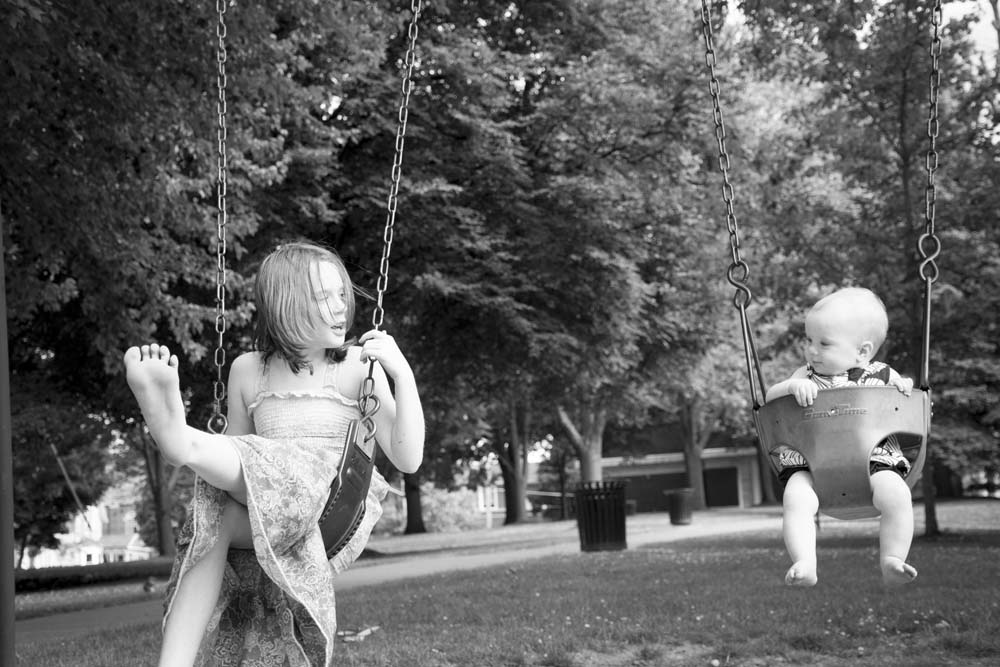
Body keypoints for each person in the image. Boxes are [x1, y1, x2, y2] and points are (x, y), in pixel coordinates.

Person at [123, 241, 424, 667]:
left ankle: (179, 440)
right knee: (212, 523)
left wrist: (402, 374)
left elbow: (409, 458)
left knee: (262, 462)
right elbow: (237, 461)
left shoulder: (359, 366)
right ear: (287, 305)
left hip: (327, 504)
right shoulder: (248, 370)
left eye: (342, 294)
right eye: (324, 297)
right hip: (263, 503)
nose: (341, 306)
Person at [765, 287, 917, 588]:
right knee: (796, 497)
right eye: (809, 340)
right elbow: (771, 397)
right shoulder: (805, 375)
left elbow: (905, 398)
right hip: (812, 464)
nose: (812, 351)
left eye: (824, 343)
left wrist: (906, 386)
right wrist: (791, 388)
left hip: (874, 462)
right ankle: (804, 561)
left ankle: (892, 558)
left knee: (897, 494)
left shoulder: (883, 375)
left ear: (862, 351)